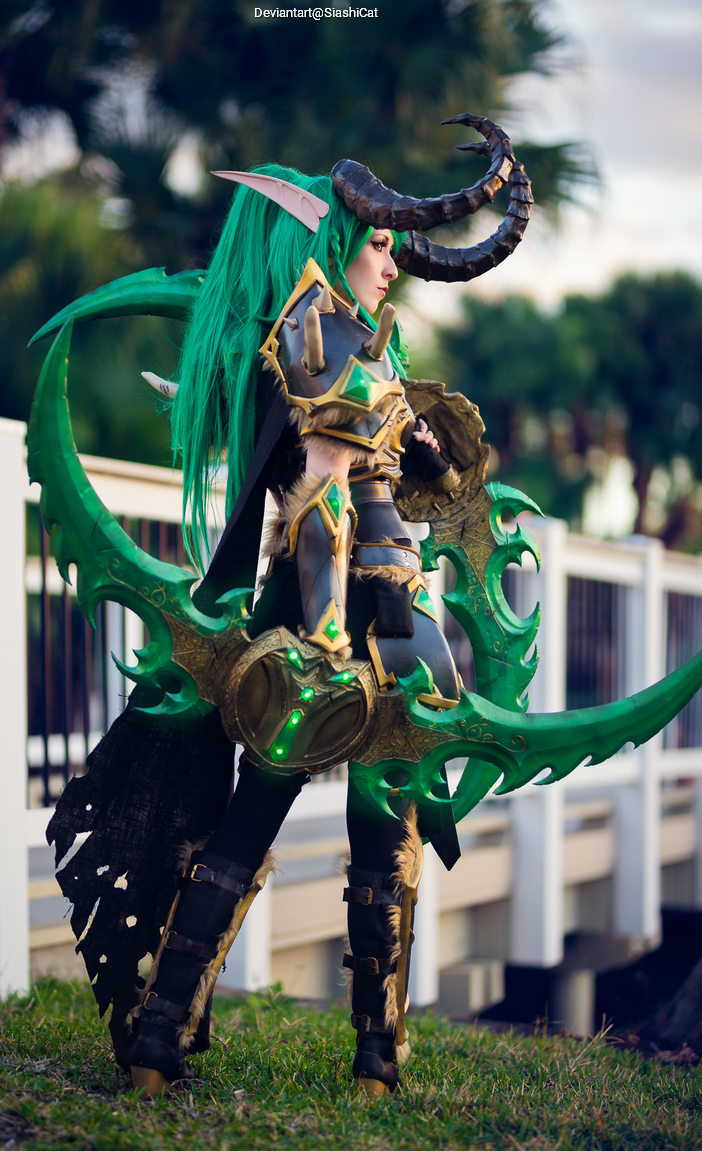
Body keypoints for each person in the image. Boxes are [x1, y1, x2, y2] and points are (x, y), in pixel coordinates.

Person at [123, 117, 532, 1098]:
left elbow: (396, 482)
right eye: (380, 243)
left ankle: (330, 1056)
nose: (391, 264)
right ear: (333, 238)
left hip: (381, 610)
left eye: (396, 246)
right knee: (292, 818)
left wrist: (429, 446)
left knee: (367, 827)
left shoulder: (354, 341)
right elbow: (319, 500)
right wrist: (325, 632)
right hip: (356, 616)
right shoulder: (324, 334)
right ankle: (325, 1060)